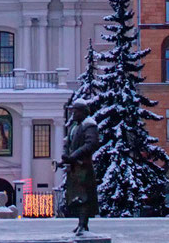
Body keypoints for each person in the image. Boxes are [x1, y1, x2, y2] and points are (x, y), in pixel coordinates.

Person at [61, 99, 99, 236]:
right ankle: (80, 224)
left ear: (83, 112)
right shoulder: (73, 127)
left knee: (84, 196)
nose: (73, 114)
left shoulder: (89, 126)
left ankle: (83, 224)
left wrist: (75, 156)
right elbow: (67, 143)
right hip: (74, 168)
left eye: (75, 111)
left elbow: (91, 144)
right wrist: (65, 157)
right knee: (76, 196)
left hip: (83, 167)